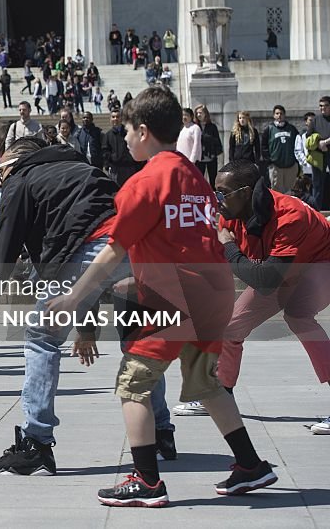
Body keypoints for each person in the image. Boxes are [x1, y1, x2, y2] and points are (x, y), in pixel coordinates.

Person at [48, 87, 276, 506]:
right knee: (208, 385)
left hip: (175, 298)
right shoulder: (196, 181)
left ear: (144, 131)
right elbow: (182, 241)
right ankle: (251, 465)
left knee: (133, 383)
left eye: (129, 129)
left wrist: (74, 298)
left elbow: (114, 248)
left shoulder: (144, 182)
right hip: (214, 293)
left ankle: (146, 479)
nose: (126, 137)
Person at [0, 138, 176, 475]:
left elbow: (3, 248)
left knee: (42, 337)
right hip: (136, 247)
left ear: (14, 161)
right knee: (138, 339)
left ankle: (36, 442)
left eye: (0, 170)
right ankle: (160, 431)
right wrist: (86, 330)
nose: (0, 178)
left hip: (90, 247)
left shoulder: (23, 178)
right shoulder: (84, 169)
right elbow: (94, 236)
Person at [174, 160, 329, 436]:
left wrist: (230, 247)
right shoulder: (230, 213)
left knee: (299, 316)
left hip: (320, 261)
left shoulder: (289, 216)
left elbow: (266, 281)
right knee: (231, 326)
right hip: (282, 269)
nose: (216, 199)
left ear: (245, 193)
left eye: (222, 192)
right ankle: (221, 393)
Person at [262, 105, 300, 191]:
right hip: (276, 166)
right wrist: (269, 161)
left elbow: (299, 144)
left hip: (290, 166)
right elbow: (264, 146)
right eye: (277, 113)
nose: (279, 115)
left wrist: (296, 161)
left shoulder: (292, 129)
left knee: (290, 192)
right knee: (276, 192)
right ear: (274, 115)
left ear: (285, 115)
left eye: (281, 113)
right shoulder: (269, 129)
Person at [194, 105, 222, 188]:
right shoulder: (195, 127)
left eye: (200, 113)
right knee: (199, 179)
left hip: (211, 157)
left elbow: (217, 141)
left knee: (213, 180)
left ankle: (213, 197)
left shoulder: (212, 126)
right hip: (199, 158)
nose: (199, 115)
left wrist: (215, 153)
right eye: (197, 113)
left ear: (205, 114)